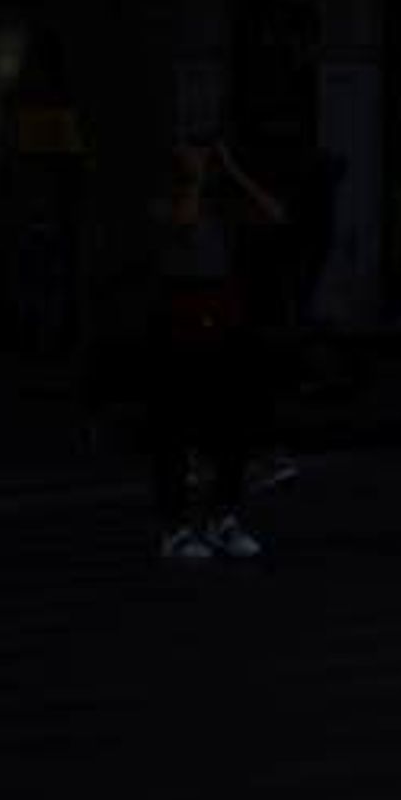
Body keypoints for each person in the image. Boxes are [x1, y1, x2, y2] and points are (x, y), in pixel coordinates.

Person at [148, 137, 282, 564]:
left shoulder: (223, 208)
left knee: (231, 424)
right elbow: (182, 221)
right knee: (177, 427)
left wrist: (233, 169)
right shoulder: (164, 203)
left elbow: (273, 214)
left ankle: (222, 517)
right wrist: (196, 177)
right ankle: (176, 527)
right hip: (180, 317)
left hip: (222, 315)